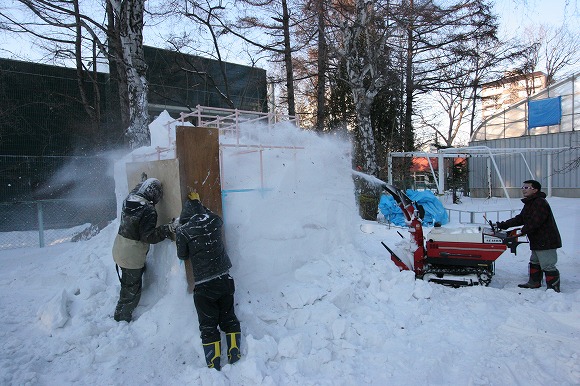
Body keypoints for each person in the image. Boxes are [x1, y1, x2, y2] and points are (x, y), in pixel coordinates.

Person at [176, 192, 241, 371]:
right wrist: (199, 203)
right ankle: (234, 352)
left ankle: (213, 364)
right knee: (229, 317)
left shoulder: (184, 230)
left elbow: (182, 255)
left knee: (208, 325)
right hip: (224, 279)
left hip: (205, 285)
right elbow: (212, 217)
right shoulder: (213, 220)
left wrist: (180, 228)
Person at [112, 178, 175, 322]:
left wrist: (142, 183)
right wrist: (168, 228)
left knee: (127, 283)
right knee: (131, 290)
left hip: (119, 248)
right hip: (132, 255)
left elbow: (137, 194)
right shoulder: (148, 210)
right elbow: (149, 237)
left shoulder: (129, 200)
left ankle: (120, 312)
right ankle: (122, 318)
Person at [497, 180, 562, 292]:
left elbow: (535, 221)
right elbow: (520, 218)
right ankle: (534, 282)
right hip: (537, 239)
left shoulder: (540, 202)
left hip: (546, 240)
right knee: (535, 261)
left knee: (548, 264)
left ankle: (553, 288)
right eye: (523, 187)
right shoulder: (531, 203)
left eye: (527, 187)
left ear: (535, 190)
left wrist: (523, 231)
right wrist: (504, 225)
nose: (523, 189)